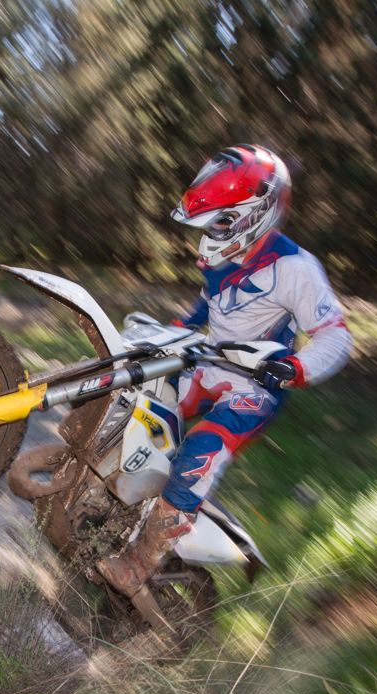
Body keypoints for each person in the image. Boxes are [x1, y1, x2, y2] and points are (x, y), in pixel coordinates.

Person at [97, 144, 353, 597]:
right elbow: (211, 304)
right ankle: (110, 492)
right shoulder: (226, 254)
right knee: (142, 395)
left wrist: (294, 367)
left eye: (219, 221)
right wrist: (172, 331)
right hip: (211, 364)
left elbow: (336, 337)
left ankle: (139, 563)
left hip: (256, 387)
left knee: (200, 449)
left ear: (254, 214)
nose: (209, 231)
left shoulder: (296, 268)